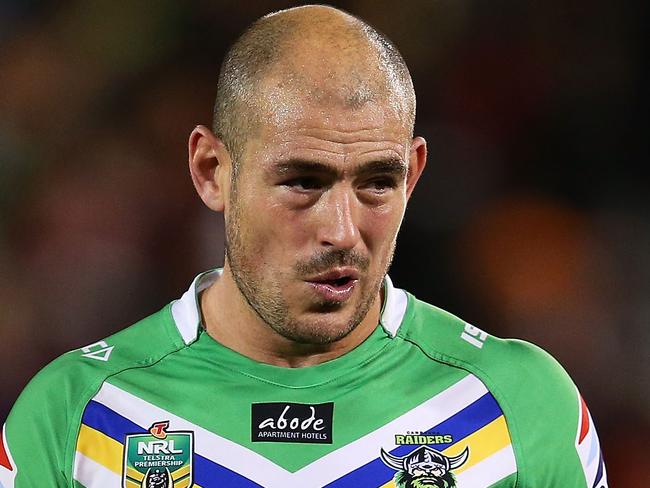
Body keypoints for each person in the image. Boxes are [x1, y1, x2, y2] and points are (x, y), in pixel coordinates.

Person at [1, 5, 607, 488]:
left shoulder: (519, 405)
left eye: (377, 182)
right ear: (212, 170)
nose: (342, 232)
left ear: (414, 174)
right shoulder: (78, 415)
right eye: (302, 182)